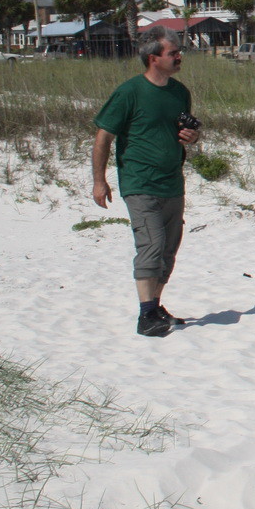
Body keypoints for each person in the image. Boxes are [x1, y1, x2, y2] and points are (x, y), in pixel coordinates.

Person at [92, 26, 200, 338]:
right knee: (151, 245)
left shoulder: (180, 92)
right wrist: (99, 181)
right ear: (153, 58)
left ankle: (155, 306)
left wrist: (192, 137)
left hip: (172, 182)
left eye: (179, 51)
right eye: (172, 53)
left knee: (168, 249)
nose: (179, 56)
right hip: (139, 181)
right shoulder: (129, 92)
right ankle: (145, 317)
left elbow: (184, 134)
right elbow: (103, 137)